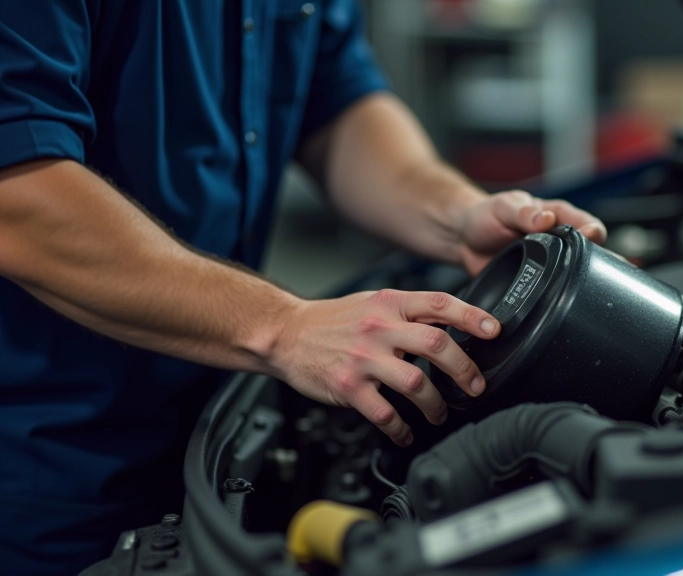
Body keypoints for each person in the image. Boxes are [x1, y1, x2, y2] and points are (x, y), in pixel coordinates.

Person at [0, 1, 606, 574]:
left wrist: (455, 213)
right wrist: (283, 326)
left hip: (211, 422)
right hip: (47, 474)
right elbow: (17, 194)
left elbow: (337, 104)